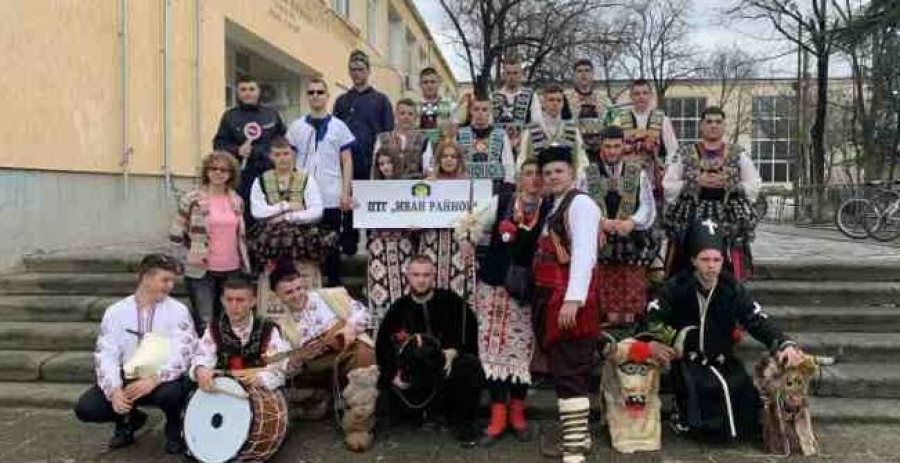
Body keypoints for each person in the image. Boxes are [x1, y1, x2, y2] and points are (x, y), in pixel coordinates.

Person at [638, 219, 804, 441]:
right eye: (705, 259)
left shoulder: (731, 288)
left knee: (743, 393)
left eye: (716, 260)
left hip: (723, 359)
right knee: (706, 395)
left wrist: (784, 343)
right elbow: (652, 318)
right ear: (693, 260)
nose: (711, 266)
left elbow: (756, 319)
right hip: (688, 361)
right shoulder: (676, 287)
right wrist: (652, 343)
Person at [74, 254, 197, 454]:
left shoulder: (178, 310)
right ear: (146, 278)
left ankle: (175, 430)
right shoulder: (116, 312)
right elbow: (106, 353)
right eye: (165, 280)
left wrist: (155, 379)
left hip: (161, 380)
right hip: (127, 378)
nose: (170, 286)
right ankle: (129, 420)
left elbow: (184, 352)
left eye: (172, 281)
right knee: (87, 408)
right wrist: (114, 390)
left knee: (174, 392)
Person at [468, 159, 551, 447]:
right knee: (492, 350)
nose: (534, 179)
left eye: (539, 174)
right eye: (528, 174)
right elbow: (473, 223)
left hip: (526, 291)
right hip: (493, 288)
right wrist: (467, 238)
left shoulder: (550, 209)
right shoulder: (502, 201)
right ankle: (497, 417)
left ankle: (517, 414)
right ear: (518, 178)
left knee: (520, 352)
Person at [531, 146, 601, 463]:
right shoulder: (556, 205)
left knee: (569, 371)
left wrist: (573, 299)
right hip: (553, 297)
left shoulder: (580, 204)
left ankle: (573, 452)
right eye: (547, 173)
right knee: (565, 369)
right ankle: (580, 438)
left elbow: (585, 254)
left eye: (558, 171)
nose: (552, 177)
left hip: (569, 300)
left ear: (572, 173)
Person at [267, 265, 378, 452]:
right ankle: (327, 400)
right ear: (276, 295)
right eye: (288, 292)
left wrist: (350, 327)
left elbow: (365, 314)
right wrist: (295, 361)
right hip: (316, 367)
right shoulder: (281, 325)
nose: (297, 295)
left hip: (348, 353)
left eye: (299, 288)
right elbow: (283, 362)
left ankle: (358, 427)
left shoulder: (332, 295)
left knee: (364, 357)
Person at [375, 255, 482, 447]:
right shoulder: (399, 308)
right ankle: (423, 413)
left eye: (426, 275)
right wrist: (392, 374)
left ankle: (464, 424)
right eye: (416, 275)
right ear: (408, 276)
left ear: (434, 276)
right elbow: (383, 345)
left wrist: (455, 350)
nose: (421, 280)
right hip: (415, 372)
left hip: (445, 368)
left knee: (469, 366)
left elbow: (470, 332)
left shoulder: (451, 301)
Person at [663, 106, 761, 280]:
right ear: (701, 126)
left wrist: (730, 184)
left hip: (728, 217)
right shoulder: (685, 153)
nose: (713, 125)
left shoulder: (738, 154)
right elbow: (668, 185)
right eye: (709, 122)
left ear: (724, 126)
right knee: (686, 259)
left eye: (718, 122)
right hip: (691, 215)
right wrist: (694, 182)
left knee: (727, 262)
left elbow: (754, 184)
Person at [585, 126, 658, 331]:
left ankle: (631, 336)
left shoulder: (636, 172)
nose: (612, 151)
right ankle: (605, 337)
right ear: (601, 147)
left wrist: (632, 222)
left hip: (630, 243)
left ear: (623, 147)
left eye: (616, 146)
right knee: (603, 293)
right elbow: (582, 203)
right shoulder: (588, 173)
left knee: (631, 292)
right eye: (607, 146)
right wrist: (600, 221)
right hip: (601, 241)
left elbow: (647, 205)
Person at [169, 151, 250, 333]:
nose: (218, 173)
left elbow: (240, 235)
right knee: (205, 321)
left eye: (224, 169)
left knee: (230, 321)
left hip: (232, 269)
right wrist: (186, 256)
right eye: (213, 169)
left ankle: (226, 352)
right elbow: (176, 233)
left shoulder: (236, 200)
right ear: (206, 171)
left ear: (231, 174)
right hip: (202, 271)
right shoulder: (192, 199)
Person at [287, 78, 355, 287]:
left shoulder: (339, 127)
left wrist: (345, 192)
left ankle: (333, 287)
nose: (315, 96)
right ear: (307, 96)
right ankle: (307, 287)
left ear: (327, 96)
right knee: (304, 244)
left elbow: (347, 161)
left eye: (319, 92)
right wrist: (290, 194)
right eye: (311, 92)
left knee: (331, 244)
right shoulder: (297, 126)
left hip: (330, 194)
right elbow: (288, 162)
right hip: (304, 197)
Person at [248, 137, 332, 302]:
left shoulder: (306, 179)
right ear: (271, 157)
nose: (282, 158)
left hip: (302, 242)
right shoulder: (261, 180)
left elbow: (316, 210)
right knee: (271, 280)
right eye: (277, 154)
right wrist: (286, 206)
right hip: (270, 243)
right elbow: (257, 211)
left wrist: (287, 217)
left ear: (292, 154)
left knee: (305, 279)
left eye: (286, 153)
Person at [190, 276, 290, 391]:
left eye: (240, 300)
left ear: (253, 301)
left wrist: (260, 379)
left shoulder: (268, 329)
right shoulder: (214, 328)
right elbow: (203, 356)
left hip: (259, 391)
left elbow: (278, 367)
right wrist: (201, 369)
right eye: (229, 300)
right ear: (222, 300)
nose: (234, 306)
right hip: (223, 391)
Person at [213, 75, 286, 225]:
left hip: (268, 173)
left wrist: (259, 152)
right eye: (243, 89)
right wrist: (237, 150)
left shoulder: (271, 115)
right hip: (241, 176)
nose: (248, 93)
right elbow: (219, 144)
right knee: (242, 215)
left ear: (258, 92)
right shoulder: (230, 116)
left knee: (271, 213)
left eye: (252, 89)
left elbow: (281, 143)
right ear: (238, 93)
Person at [366, 147, 419, 331]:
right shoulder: (371, 189)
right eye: (381, 164)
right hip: (379, 247)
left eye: (389, 162)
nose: (385, 167)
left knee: (405, 287)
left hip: (402, 244)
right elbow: (367, 216)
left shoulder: (408, 187)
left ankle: (407, 331)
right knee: (379, 288)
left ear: (396, 163)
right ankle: (381, 332)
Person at [418, 141, 476, 300]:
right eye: (444, 156)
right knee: (430, 286)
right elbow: (417, 212)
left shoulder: (468, 184)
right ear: (438, 159)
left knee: (458, 289)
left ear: (459, 160)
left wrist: (469, 239)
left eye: (453, 156)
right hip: (432, 240)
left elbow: (475, 217)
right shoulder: (428, 183)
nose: (449, 160)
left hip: (458, 241)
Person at [334, 49, 395, 182]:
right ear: (349, 72)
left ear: (368, 71)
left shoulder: (381, 100)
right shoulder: (341, 101)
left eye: (360, 69)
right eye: (353, 70)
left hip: (373, 166)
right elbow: (335, 135)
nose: (357, 73)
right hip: (346, 165)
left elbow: (387, 136)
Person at [619, 79, 680, 199]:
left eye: (645, 93)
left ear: (651, 96)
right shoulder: (620, 120)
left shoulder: (663, 120)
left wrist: (668, 179)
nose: (641, 97)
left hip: (654, 182)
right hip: (626, 183)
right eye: (637, 93)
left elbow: (673, 151)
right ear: (631, 96)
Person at [519, 84, 589, 180]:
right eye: (551, 100)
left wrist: (579, 179)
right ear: (543, 103)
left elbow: (582, 160)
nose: (555, 104)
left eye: (558, 100)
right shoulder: (530, 130)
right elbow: (522, 159)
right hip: (540, 182)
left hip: (567, 183)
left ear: (563, 103)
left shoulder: (573, 129)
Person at [457, 93, 516, 192]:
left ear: (490, 112)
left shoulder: (501, 134)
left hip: (495, 187)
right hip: (466, 187)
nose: (480, 113)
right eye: (476, 109)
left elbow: (508, 164)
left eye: (484, 110)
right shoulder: (460, 134)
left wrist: (508, 185)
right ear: (471, 111)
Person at [561, 59, 616, 156]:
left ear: (593, 74)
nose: (583, 74)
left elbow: (613, 122)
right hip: (574, 150)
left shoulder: (604, 99)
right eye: (579, 71)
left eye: (587, 70)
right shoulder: (565, 98)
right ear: (574, 75)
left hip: (601, 151)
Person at [492, 56, 543, 157]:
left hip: (523, 149)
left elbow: (537, 123)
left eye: (515, 73)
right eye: (508, 73)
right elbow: (489, 124)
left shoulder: (531, 96)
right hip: (499, 149)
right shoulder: (493, 97)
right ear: (503, 75)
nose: (512, 77)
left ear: (521, 74)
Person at [373, 98, 432, 179]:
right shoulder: (382, 138)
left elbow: (428, 167)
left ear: (416, 117)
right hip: (388, 184)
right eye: (402, 113)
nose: (406, 117)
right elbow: (375, 169)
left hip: (414, 183)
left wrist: (429, 172)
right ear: (395, 115)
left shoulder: (424, 140)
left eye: (410, 114)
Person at [417, 67, 460, 145]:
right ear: (420, 84)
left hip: (443, 149)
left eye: (433, 82)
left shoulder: (450, 105)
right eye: (425, 82)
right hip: (420, 149)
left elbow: (454, 132)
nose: (429, 85)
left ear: (439, 83)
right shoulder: (414, 106)